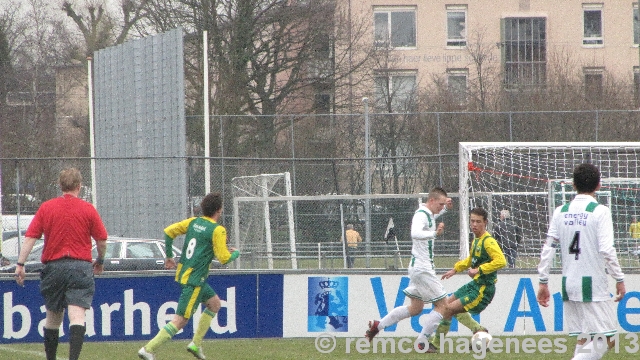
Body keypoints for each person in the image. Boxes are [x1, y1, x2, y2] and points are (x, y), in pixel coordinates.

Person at [365, 188, 487, 352]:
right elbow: (415, 233)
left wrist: (445, 208)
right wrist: (434, 234)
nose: (441, 207)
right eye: (440, 204)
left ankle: (378, 325)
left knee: (416, 308)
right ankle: (422, 342)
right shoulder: (421, 215)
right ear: (431, 201)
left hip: (418, 267)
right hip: (423, 269)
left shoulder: (428, 213)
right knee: (444, 306)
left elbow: (433, 216)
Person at [14, 168, 108, 360]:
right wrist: (100, 260)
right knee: (77, 317)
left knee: (53, 318)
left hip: (54, 267)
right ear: (79, 187)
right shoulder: (87, 209)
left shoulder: (47, 207)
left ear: (60, 186)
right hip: (80, 266)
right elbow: (102, 240)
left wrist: (20, 263)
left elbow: (31, 237)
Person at [537, 163, 625, 360]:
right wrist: (619, 278)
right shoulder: (599, 211)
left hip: (569, 284)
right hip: (592, 285)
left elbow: (548, 248)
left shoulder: (561, 211)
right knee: (607, 338)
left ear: (573, 185)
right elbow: (607, 250)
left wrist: (543, 281)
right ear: (599, 185)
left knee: (584, 339)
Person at [138, 192, 240, 360]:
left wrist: (169, 256)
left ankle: (195, 344)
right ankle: (148, 349)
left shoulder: (194, 222)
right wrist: (236, 254)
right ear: (219, 210)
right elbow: (223, 258)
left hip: (185, 275)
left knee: (214, 304)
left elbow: (169, 232)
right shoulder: (218, 230)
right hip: (195, 280)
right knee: (180, 320)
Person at [432, 207, 506, 351]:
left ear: (485, 223)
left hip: (484, 289)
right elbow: (471, 260)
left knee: (448, 310)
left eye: (478, 221)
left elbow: (501, 261)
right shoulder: (476, 240)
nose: (474, 224)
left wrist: (479, 270)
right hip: (475, 284)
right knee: (447, 303)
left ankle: (435, 344)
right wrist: (455, 269)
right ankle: (479, 330)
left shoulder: (488, 242)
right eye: (472, 221)